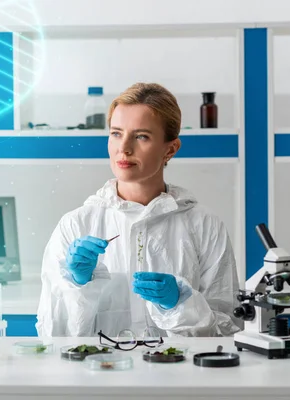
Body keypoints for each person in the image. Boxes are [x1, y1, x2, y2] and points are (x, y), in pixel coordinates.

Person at [36, 82, 243, 338]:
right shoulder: (76, 224)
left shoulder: (204, 224)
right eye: (116, 133)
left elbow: (227, 329)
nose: (124, 148)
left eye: (141, 136)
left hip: (177, 375)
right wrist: (77, 285)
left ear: (170, 149)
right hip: (99, 373)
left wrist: (180, 304)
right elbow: (52, 335)